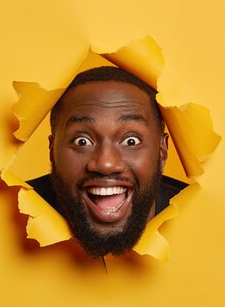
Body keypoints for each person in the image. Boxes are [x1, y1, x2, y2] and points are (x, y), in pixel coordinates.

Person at [27, 66, 187, 258]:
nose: (105, 164)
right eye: (82, 141)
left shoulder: (203, 221)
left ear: (162, 152)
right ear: (52, 151)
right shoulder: (8, 215)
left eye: (131, 141)